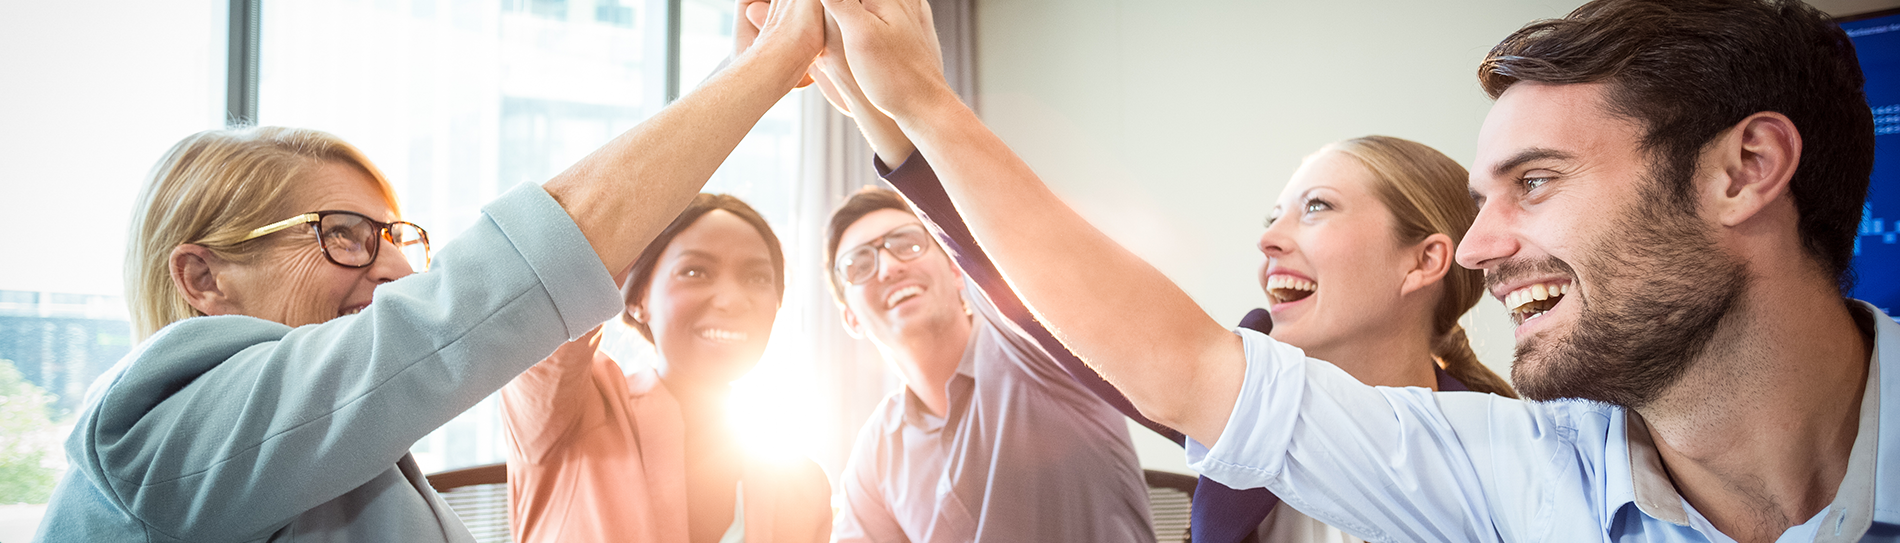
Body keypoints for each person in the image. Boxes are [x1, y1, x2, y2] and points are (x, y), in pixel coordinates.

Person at [820, 0, 1895, 541]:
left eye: (1535, 183)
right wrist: (910, 113)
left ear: (1743, 171)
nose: (1484, 246)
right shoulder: (1515, 472)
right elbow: (1156, 354)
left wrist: (922, 112)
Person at [32, 0, 826, 540]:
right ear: (202, 278)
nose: (397, 273)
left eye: (395, 237)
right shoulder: (153, 429)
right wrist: (757, 73)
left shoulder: (370, 472)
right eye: (344, 235)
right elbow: (488, 298)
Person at [806, 39, 1516, 540]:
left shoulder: (1515, 457)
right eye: (1272, 216)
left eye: (1317, 207)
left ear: (1423, 261)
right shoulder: (1237, 401)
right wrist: (876, 98)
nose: (1268, 240)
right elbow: (1024, 272)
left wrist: (909, 98)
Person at [820, 186, 1155, 543]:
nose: (889, 267)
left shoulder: (1031, 345)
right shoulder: (876, 453)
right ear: (851, 317)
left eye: (907, 243)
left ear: (955, 268)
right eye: (860, 264)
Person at [500, 194, 830, 543]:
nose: (732, 299)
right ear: (638, 298)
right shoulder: (570, 415)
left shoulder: (804, 486)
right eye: (694, 271)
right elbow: (558, 294)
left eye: (758, 278)